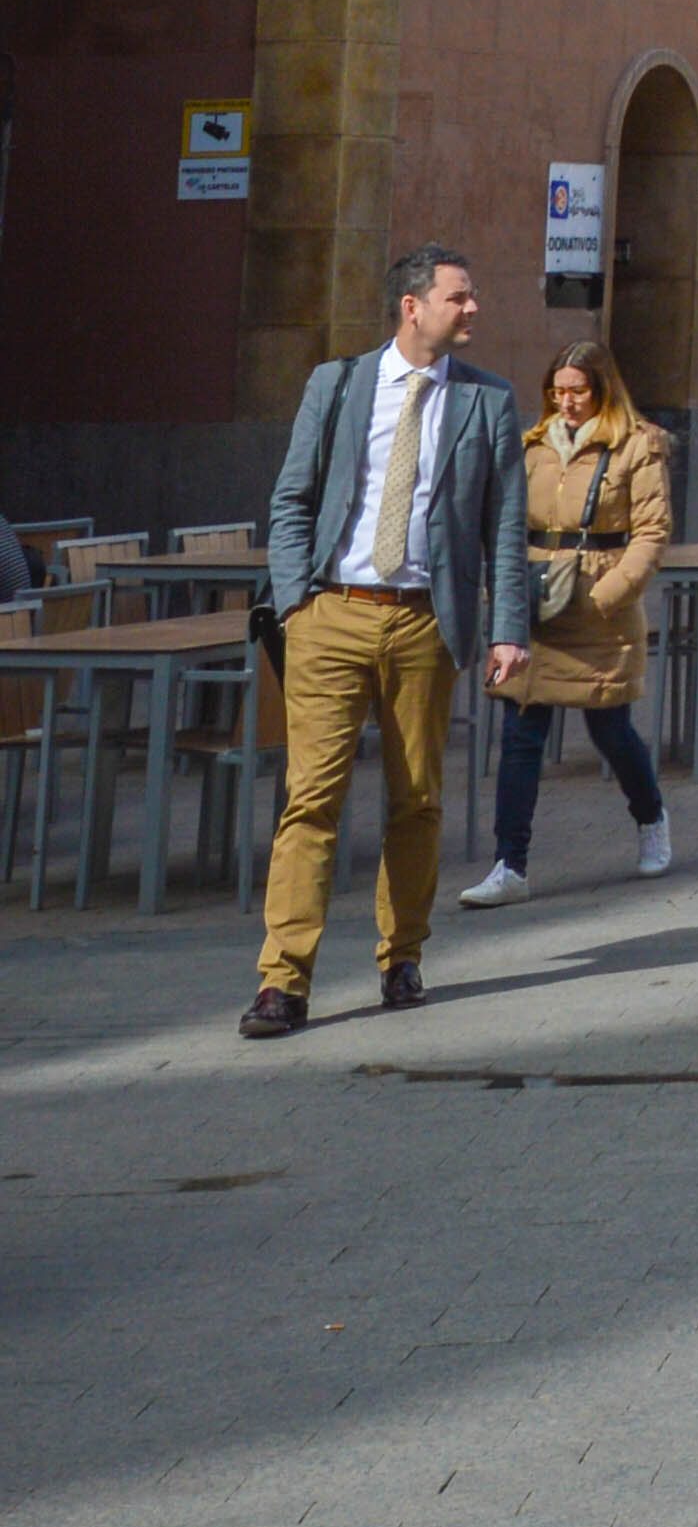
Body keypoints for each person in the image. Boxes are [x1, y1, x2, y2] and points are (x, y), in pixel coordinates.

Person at [244, 244, 535, 1038]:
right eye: (459, 297)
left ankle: (401, 955)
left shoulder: (487, 402)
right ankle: (283, 980)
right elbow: (292, 496)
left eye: (472, 297)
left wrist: (509, 625)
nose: (472, 309)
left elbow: (505, 527)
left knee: (417, 796)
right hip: (331, 613)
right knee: (312, 796)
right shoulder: (337, 386)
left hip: (423, 621)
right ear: (413, 305)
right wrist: (295, 601)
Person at [460, 343, 673, 903]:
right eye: (558, 391)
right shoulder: (532, 446)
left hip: (598, 606)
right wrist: (500, 590)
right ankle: (510, 864)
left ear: (602, 389)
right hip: (535, 600)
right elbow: (503, 518)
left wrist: (610, 593)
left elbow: (651, 531)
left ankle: (650, 817)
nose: (567, 402)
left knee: (611, 729)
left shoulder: (637, 445)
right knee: (520, 734)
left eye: (578, 391)